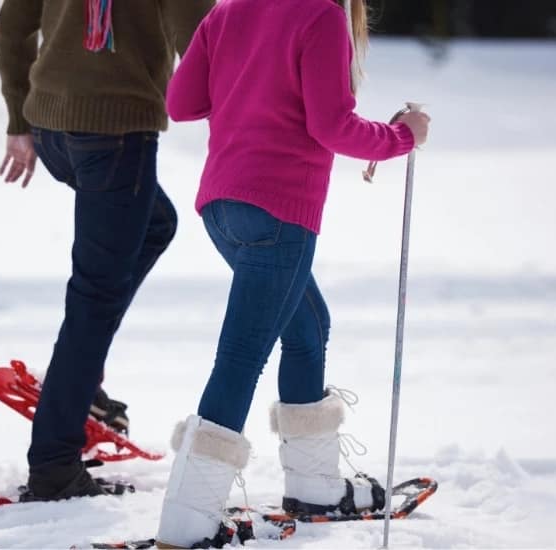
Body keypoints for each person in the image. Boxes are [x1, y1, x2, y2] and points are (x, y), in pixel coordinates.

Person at [154, 0, 431, 546]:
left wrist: (252, 87)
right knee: (241, 356)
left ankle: (315, 486)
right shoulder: (321, 14)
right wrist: (403, 137)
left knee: (307, 327)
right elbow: (331, 127)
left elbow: (182, 103)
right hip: (279, 213)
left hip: (222, 207)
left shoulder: (228, 9)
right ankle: (186, 523)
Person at [0, 0, 215, 501]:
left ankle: (79, 379)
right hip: (116, 133)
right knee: (93, 297)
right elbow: (203, 39)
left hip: (54, 128)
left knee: (155, 225)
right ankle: (54, 465)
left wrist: (18, 117)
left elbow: (14, 23)